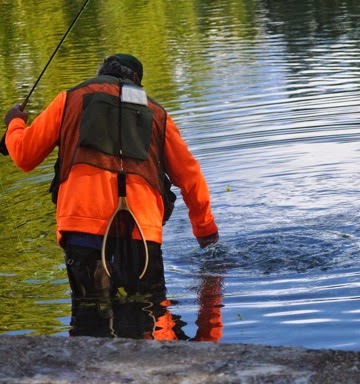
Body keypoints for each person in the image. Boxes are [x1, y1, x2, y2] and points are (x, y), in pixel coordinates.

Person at [3, 53, 219, 300]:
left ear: (102, 73)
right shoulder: (157, 113)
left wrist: (15, 123)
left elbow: (24, 156)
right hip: (142, 230)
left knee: (91, 313)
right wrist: (205, 231)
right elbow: (191, 177)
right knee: (152, 313)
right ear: (136, 80)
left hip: (83, 226)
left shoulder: (69, 99)